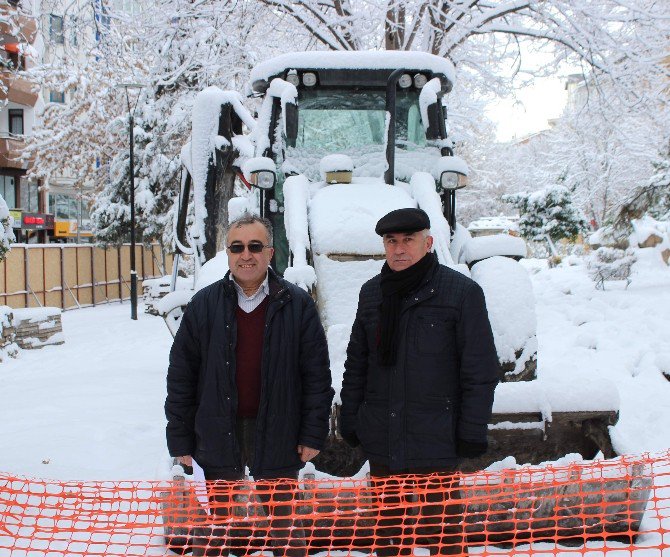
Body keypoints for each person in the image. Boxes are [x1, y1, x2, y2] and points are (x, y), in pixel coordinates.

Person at [165, 213, 334, 557]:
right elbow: (181, 377)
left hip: (278, 430)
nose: (246, 255)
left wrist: (312, 434)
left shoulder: (297, 305)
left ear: (270, 253)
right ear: (227, 254)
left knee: (285, 528)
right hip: (216, 430)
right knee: (213, 528)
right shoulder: (204, 305)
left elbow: (316, 376)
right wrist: (180, 439)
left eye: (255, 246)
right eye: (237, 247)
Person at [339, 207, 499, 556]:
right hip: (383, 436)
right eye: (391, 241)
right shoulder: (372, 294)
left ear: (428, 243)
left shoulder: (460, 294)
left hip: (437, 439)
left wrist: (471, 430)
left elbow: (480, 370)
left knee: (441, 535)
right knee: (387, 534)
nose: (399, 249)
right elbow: (357, 364)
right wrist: (350, 417)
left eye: (408, 240)